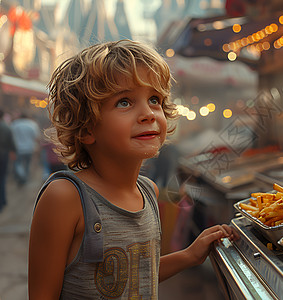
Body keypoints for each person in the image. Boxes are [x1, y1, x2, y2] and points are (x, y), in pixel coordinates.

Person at [28, 39, 235, 299]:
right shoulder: (66, 197)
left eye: (154, 99)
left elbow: (138, 274)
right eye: (124, 102)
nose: (148, 113)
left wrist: (189, 255)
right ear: (87, 128)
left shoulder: (148, 192)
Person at [10, 112, 40, 185]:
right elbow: (36, 137)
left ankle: (22, 177)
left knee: (18, 164)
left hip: (18, 148)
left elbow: (11, 136)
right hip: (29, 148)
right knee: (27, 164)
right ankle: (25, 177)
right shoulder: (32, 124)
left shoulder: (15, 124)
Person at [0, 110, 16, 212]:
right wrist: (13, 152)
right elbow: (11, 142)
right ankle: (2, 200)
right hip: (3, 155)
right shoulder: (6, 127)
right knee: (2, 177)